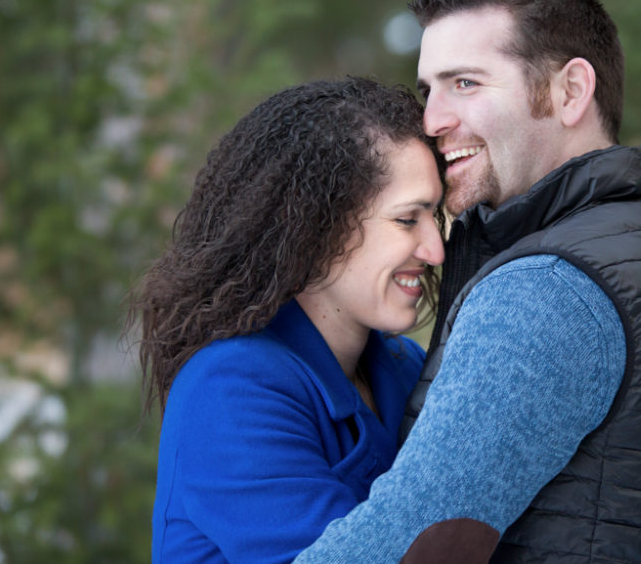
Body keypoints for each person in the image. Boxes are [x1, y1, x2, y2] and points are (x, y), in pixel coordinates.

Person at [296, 0, 641, 563]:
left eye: (465, 83)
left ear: (571, 91)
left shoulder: (549, 291)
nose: (432, 120)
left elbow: (408, 543)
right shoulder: (618, 252)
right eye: (427, 90)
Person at [129, 78, 446, 563]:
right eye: (408, 219)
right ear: (318, 228)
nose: (435, 249)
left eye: (435, 216)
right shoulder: (229, 389)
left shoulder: (404, 367)